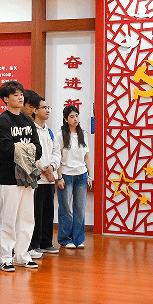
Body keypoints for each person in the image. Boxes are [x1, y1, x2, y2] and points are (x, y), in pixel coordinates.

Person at [0, 80, 42, 271]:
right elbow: (6, 149)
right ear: (6, 99)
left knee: (26, 218)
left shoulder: (28, 120)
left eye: (21, 94)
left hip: (28, 176)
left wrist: (22, 148)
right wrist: (26, 149)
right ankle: (4, 257)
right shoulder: (4, 120)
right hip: (9, 177)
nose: (21, 97)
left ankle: (22, 255)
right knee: (7, 218)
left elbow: (38, 149)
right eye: (16, 95)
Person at [56, 105, 93, 250]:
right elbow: (58, 158)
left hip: (81, 175)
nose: (75, 119)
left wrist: (90, 175)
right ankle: (65, 239)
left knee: (80, 209)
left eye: (77, 115)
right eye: (72, 116)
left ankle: (78, 239)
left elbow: (87, 156)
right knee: (66, 209)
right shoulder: (60, 135)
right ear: (65, 119)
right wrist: (60, 177)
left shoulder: (83, 134)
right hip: (66, 175)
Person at [28, 95, 60, 257]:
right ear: (35, 110)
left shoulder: (50, 132)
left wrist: (52, 167)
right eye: (44, 108)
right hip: (37, 179)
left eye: (48, 108)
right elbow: (31, 154)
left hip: (49, 179)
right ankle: (34, 244)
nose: (47, 111)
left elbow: (56, 152)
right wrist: (44, 170)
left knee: (48, 212)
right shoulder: (31, 130)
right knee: (36, 213)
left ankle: (46, 243)